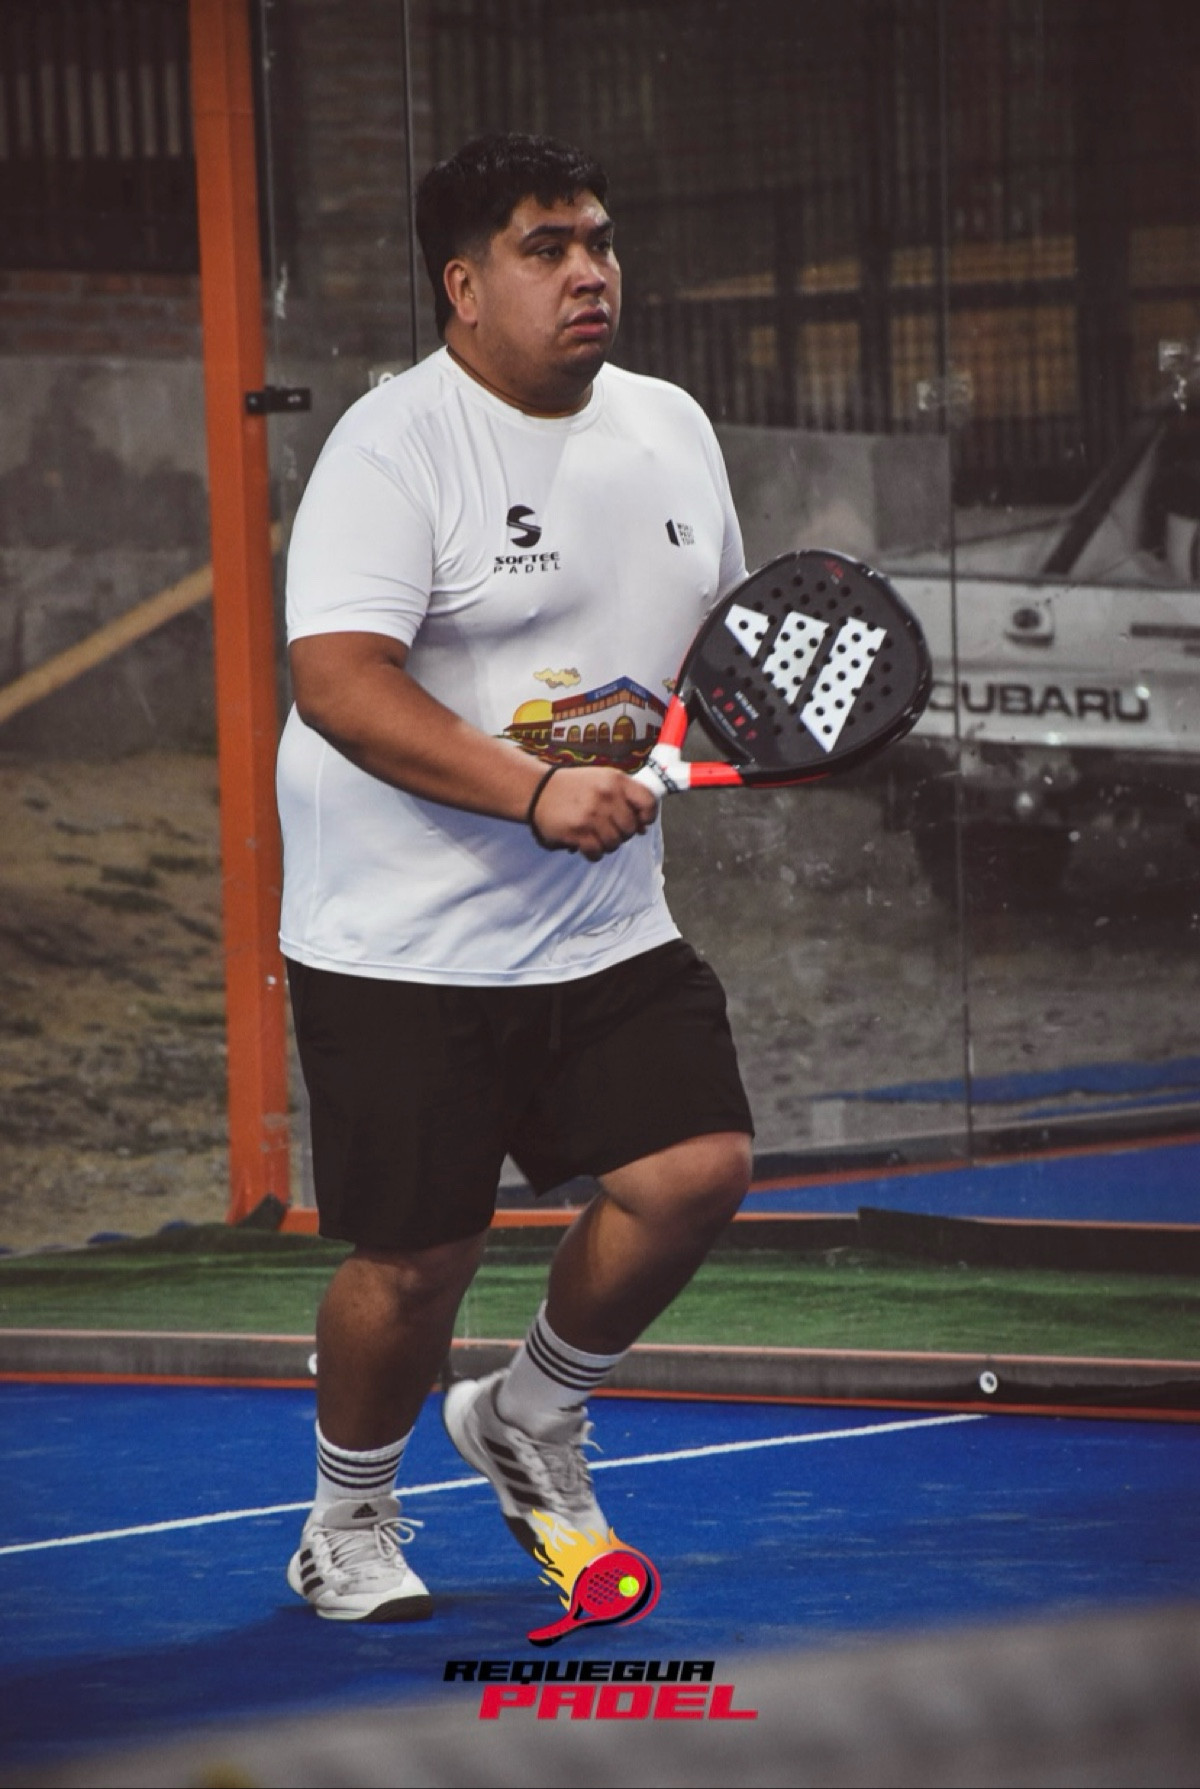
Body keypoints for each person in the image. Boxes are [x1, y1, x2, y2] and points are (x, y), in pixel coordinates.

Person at [279, 132, 754, 1622]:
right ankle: (347, 1517)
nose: (588, 271)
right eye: (546, 249)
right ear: (464, 286)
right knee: (418, 1259)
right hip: (399, 936)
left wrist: (737, 730)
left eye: (598, 240)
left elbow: (717, 651)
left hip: (603, 924)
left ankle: (530, 1411)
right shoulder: (393, 447)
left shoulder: (671, 427)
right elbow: (339, 683)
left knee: (695, 1169)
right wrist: (538, 790)